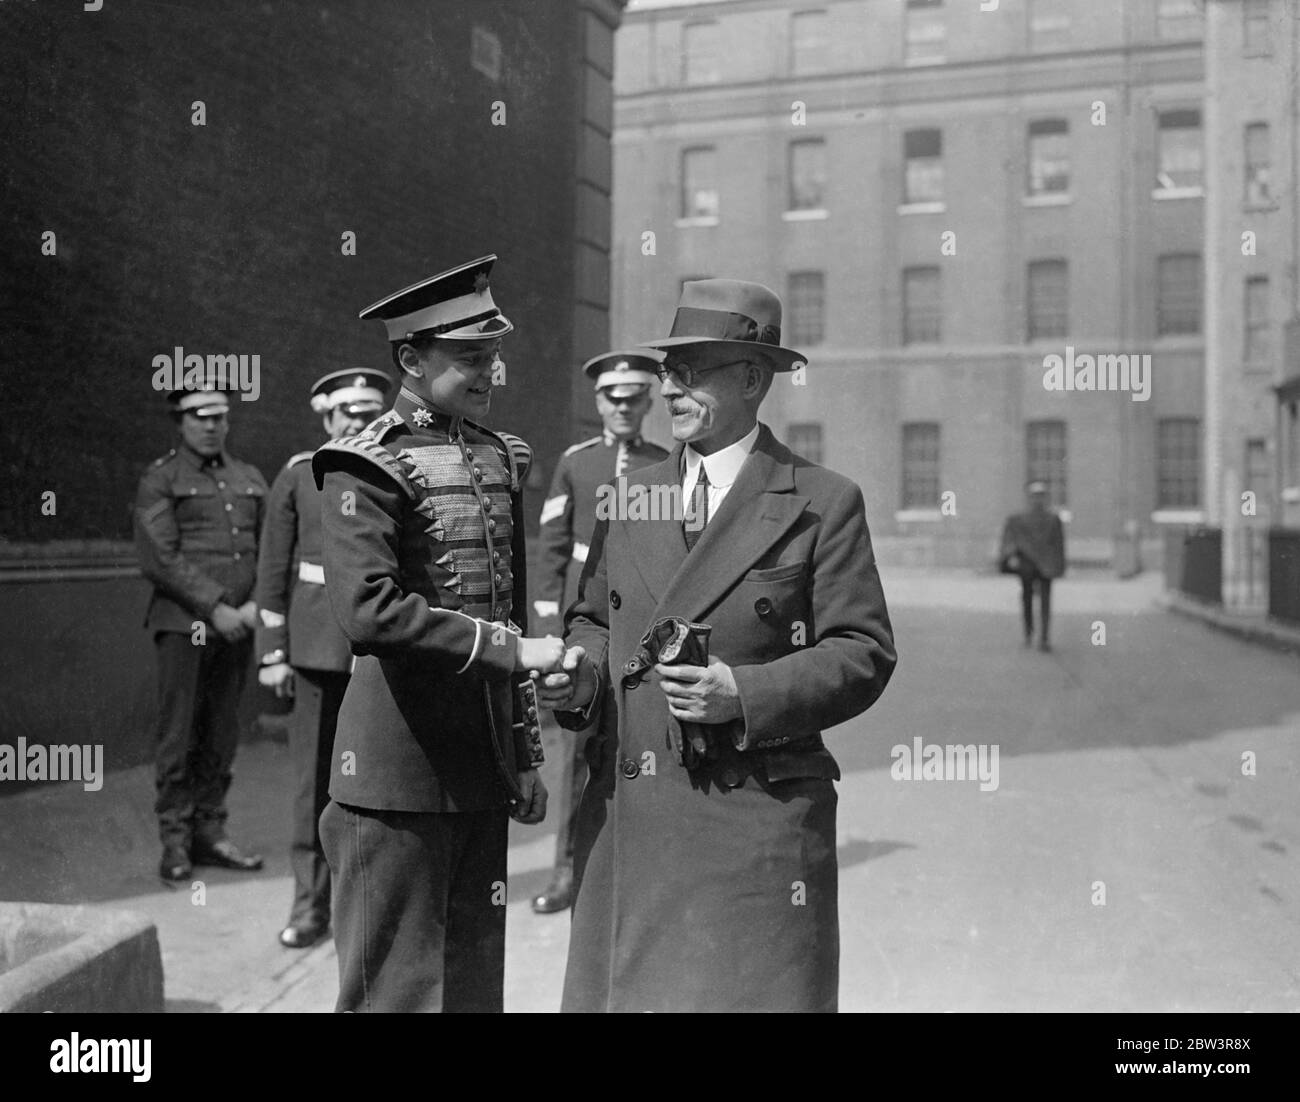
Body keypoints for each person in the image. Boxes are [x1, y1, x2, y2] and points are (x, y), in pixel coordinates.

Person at [538, 278, 898, 1012]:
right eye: (668, 370)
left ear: (753, 379)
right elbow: (593, 622)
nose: (668, 389)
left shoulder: (820, 501)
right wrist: (581, 678)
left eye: (691, 371)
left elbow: (862, 650)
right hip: (632, 815)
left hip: (754, 821)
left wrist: (745, 693)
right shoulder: (630, 492)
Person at [312, 255, 562, 1012]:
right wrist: (508, 651)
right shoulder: (363, 464)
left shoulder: (497, 457)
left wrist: (522, 758)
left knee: (473, 989)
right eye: (470, 357)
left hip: (478, 772)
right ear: (411, 359)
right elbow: (368, 612)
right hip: (394, 775)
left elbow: (509, 607)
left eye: (493, 355)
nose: (490, 371)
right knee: (394, 994)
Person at [255, 368, 393, 949]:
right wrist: (273, 653)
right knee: (313, 784)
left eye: (368, 412)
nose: (358, 422)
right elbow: (271, 570)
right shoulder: (296, 475)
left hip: (381, 653)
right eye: (347, 414)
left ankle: (368, 905)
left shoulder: (396, 469)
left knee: (380, 782)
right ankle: (310, 904)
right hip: (314, 650)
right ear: (326, 417)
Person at [530, 350, 669, 915]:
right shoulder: (576, 463)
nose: (623, 408)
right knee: (574, 750)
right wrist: (546, 628)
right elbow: (552, 548)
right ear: (598, 403)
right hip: (582, 622)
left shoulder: (668, 464)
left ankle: (636, 870)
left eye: (634, 398)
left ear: (648, 402)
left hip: (643, 624)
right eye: (613, 399)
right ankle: (567, 869)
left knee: (642, 742)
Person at [134, 388, 268, 882]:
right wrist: (216, 608)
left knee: (221, 731)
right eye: (199, 417)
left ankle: (211, 833)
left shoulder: (248, 478)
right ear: (181, 422)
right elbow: (159, 557)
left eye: (219, 418)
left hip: (240, 625)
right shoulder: (161, 478)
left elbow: (270, 546)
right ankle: (175, 842)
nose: (210, 426)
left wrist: (256, 605)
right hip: (183, 625)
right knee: (180, 732)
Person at [999, 480, 1066, 652]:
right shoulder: (1018, 520)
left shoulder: (1053, 520)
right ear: (1029, 498)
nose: (1038, 500)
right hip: (1027, 566)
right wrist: (1010, 556)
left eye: (1041, 496)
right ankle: (1028, 633)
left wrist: (1059, 566)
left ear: (1046, 498)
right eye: (1035, 496)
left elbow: (1059, 545)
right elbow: (1009, 540)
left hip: (1046, 565)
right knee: (1027, 598)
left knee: (1045, 601)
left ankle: (1044, 638)